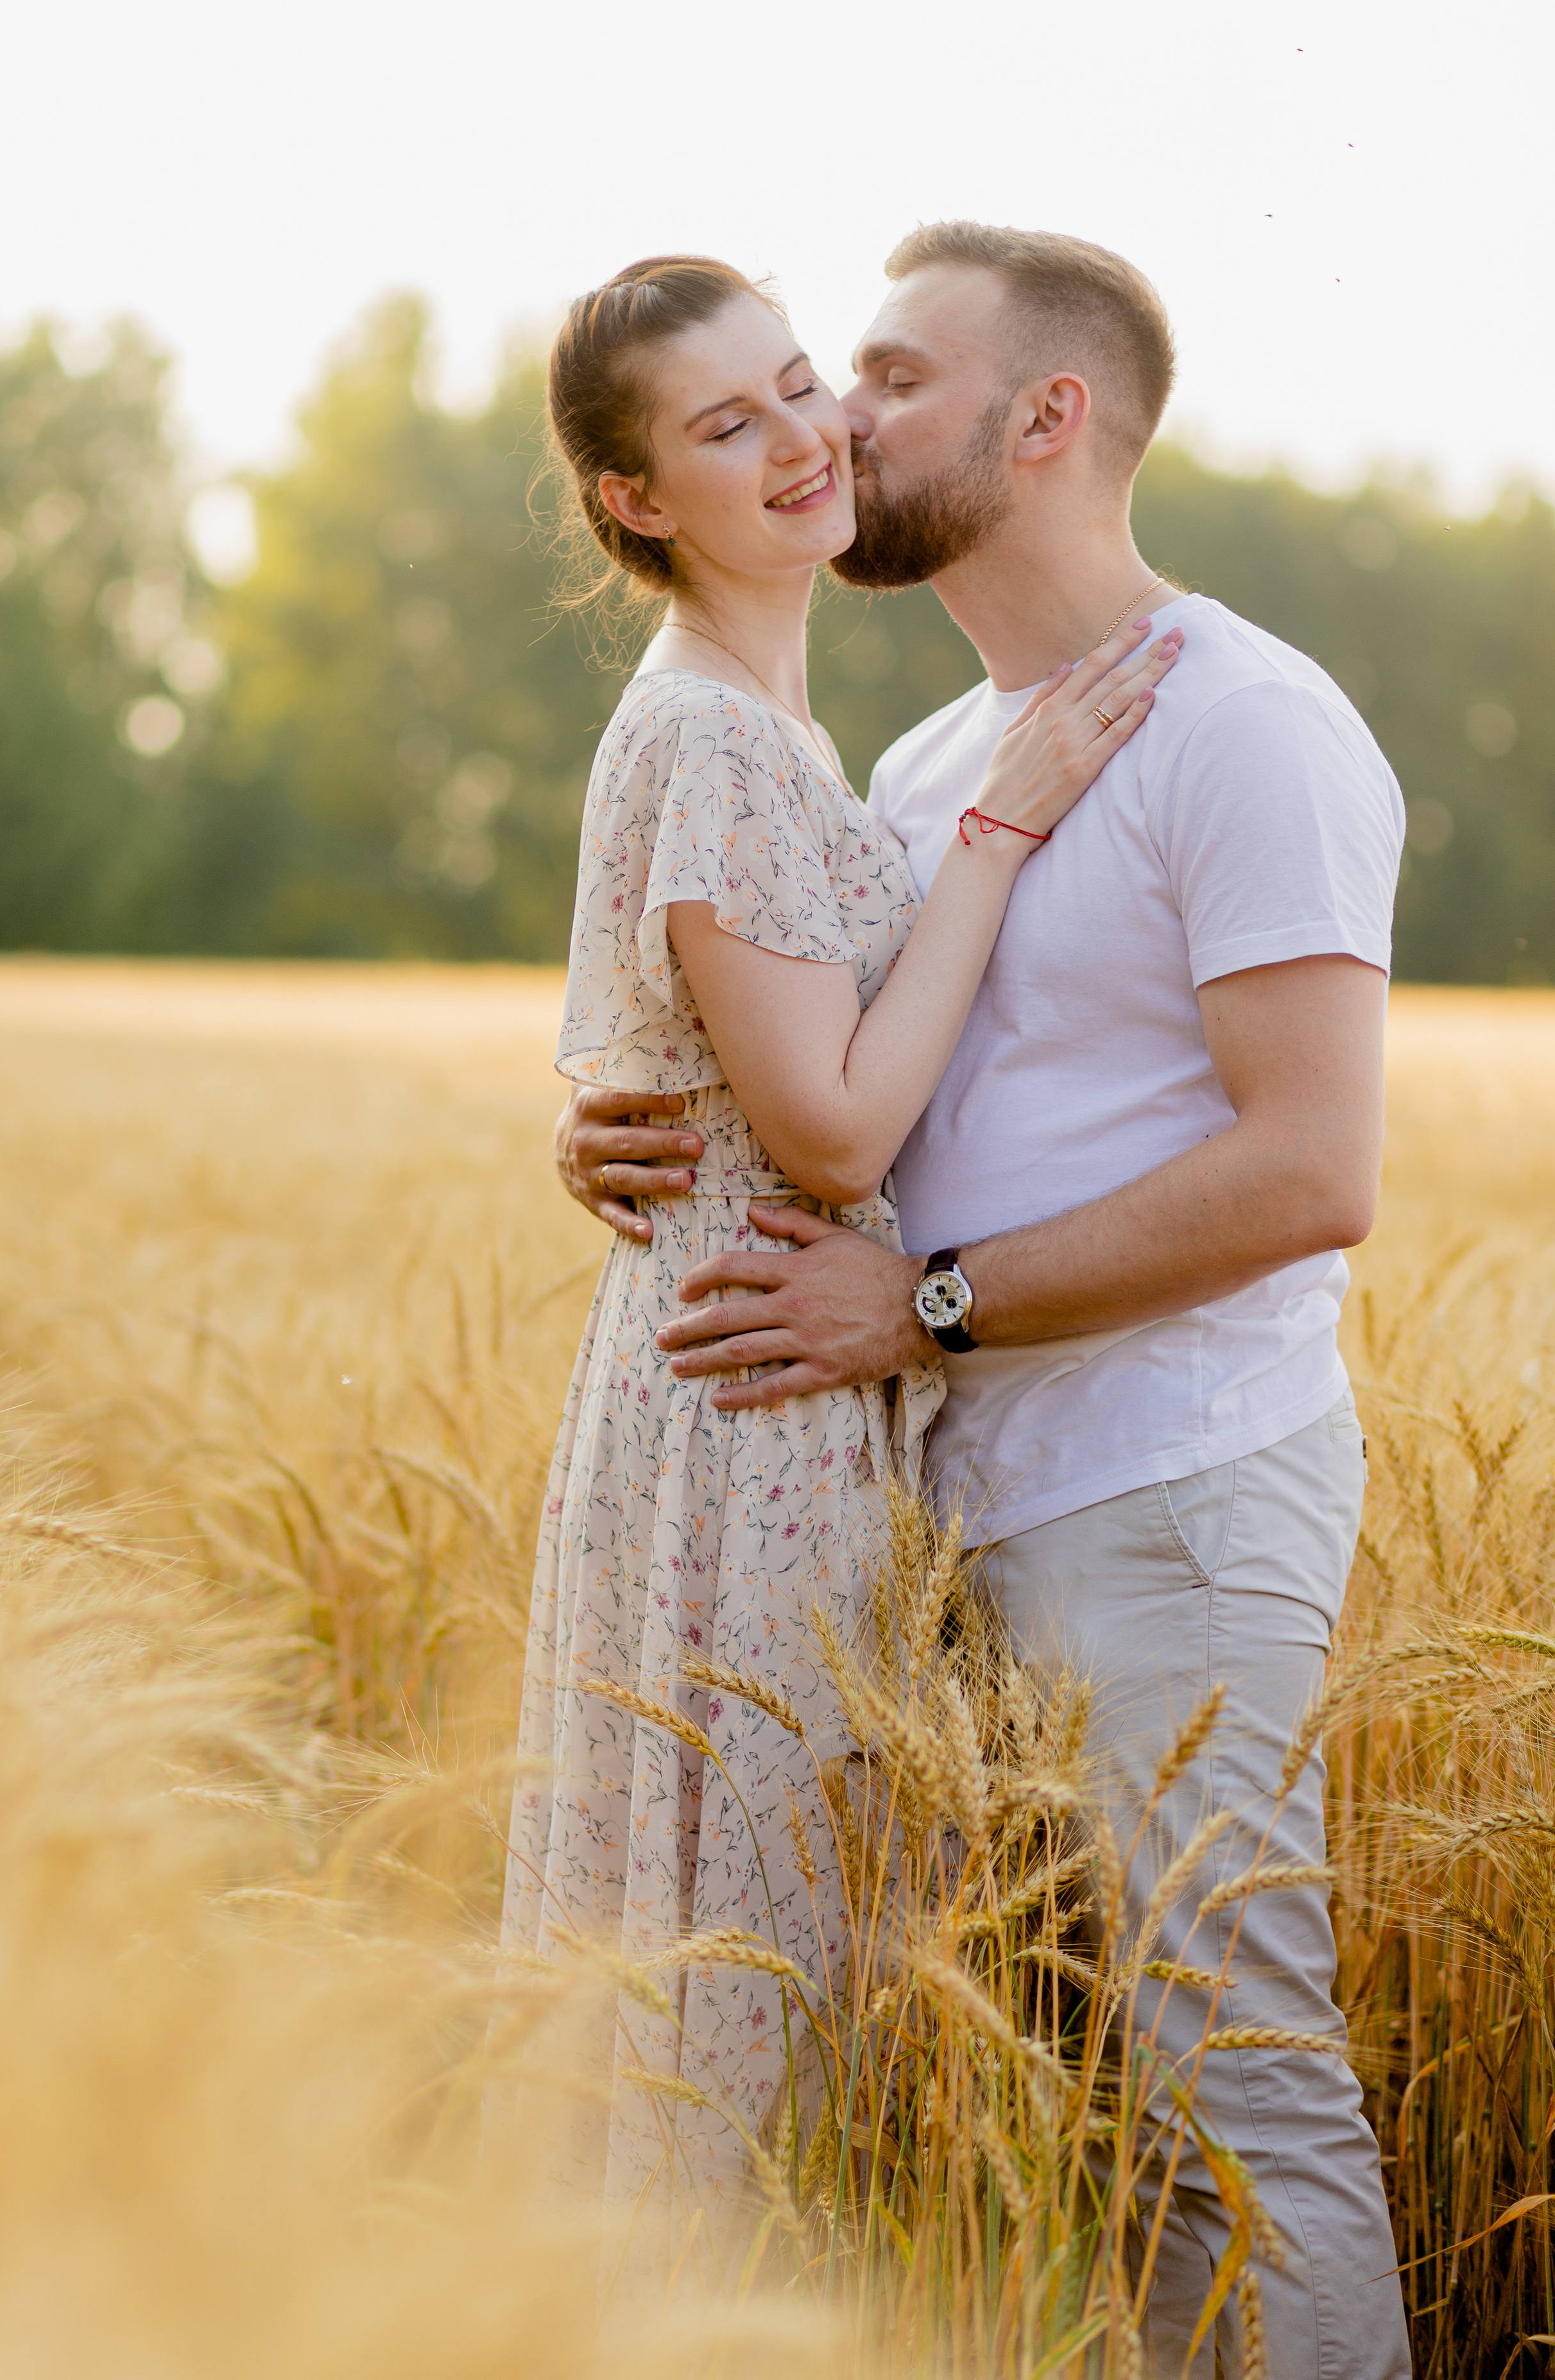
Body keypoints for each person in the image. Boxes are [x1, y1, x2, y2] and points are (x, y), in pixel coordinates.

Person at [555, 226, 1411, 2376]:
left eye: (882, 376)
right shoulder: (935, 771)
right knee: (1055, 2128)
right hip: (918, 1535)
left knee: (1233, 2089)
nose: (837, 421)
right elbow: (813, 1075)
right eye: (791, 393)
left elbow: (1315, 1172)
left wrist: (915, 1309)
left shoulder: (1252, 726)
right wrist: (622, 1127)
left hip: (1167, 1500)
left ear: (1048, 423)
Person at [502, 252, 1182, 2244]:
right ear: (639, 501)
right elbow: (829, 1128)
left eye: (801, 385)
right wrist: (1002, 836)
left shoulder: (779, 735)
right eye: (727, 424)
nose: (804, 437)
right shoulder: (715, 739)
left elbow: (732, 1070)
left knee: (771, 1966)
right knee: (743, 1987)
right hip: (756, 1407)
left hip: (785, 1381)